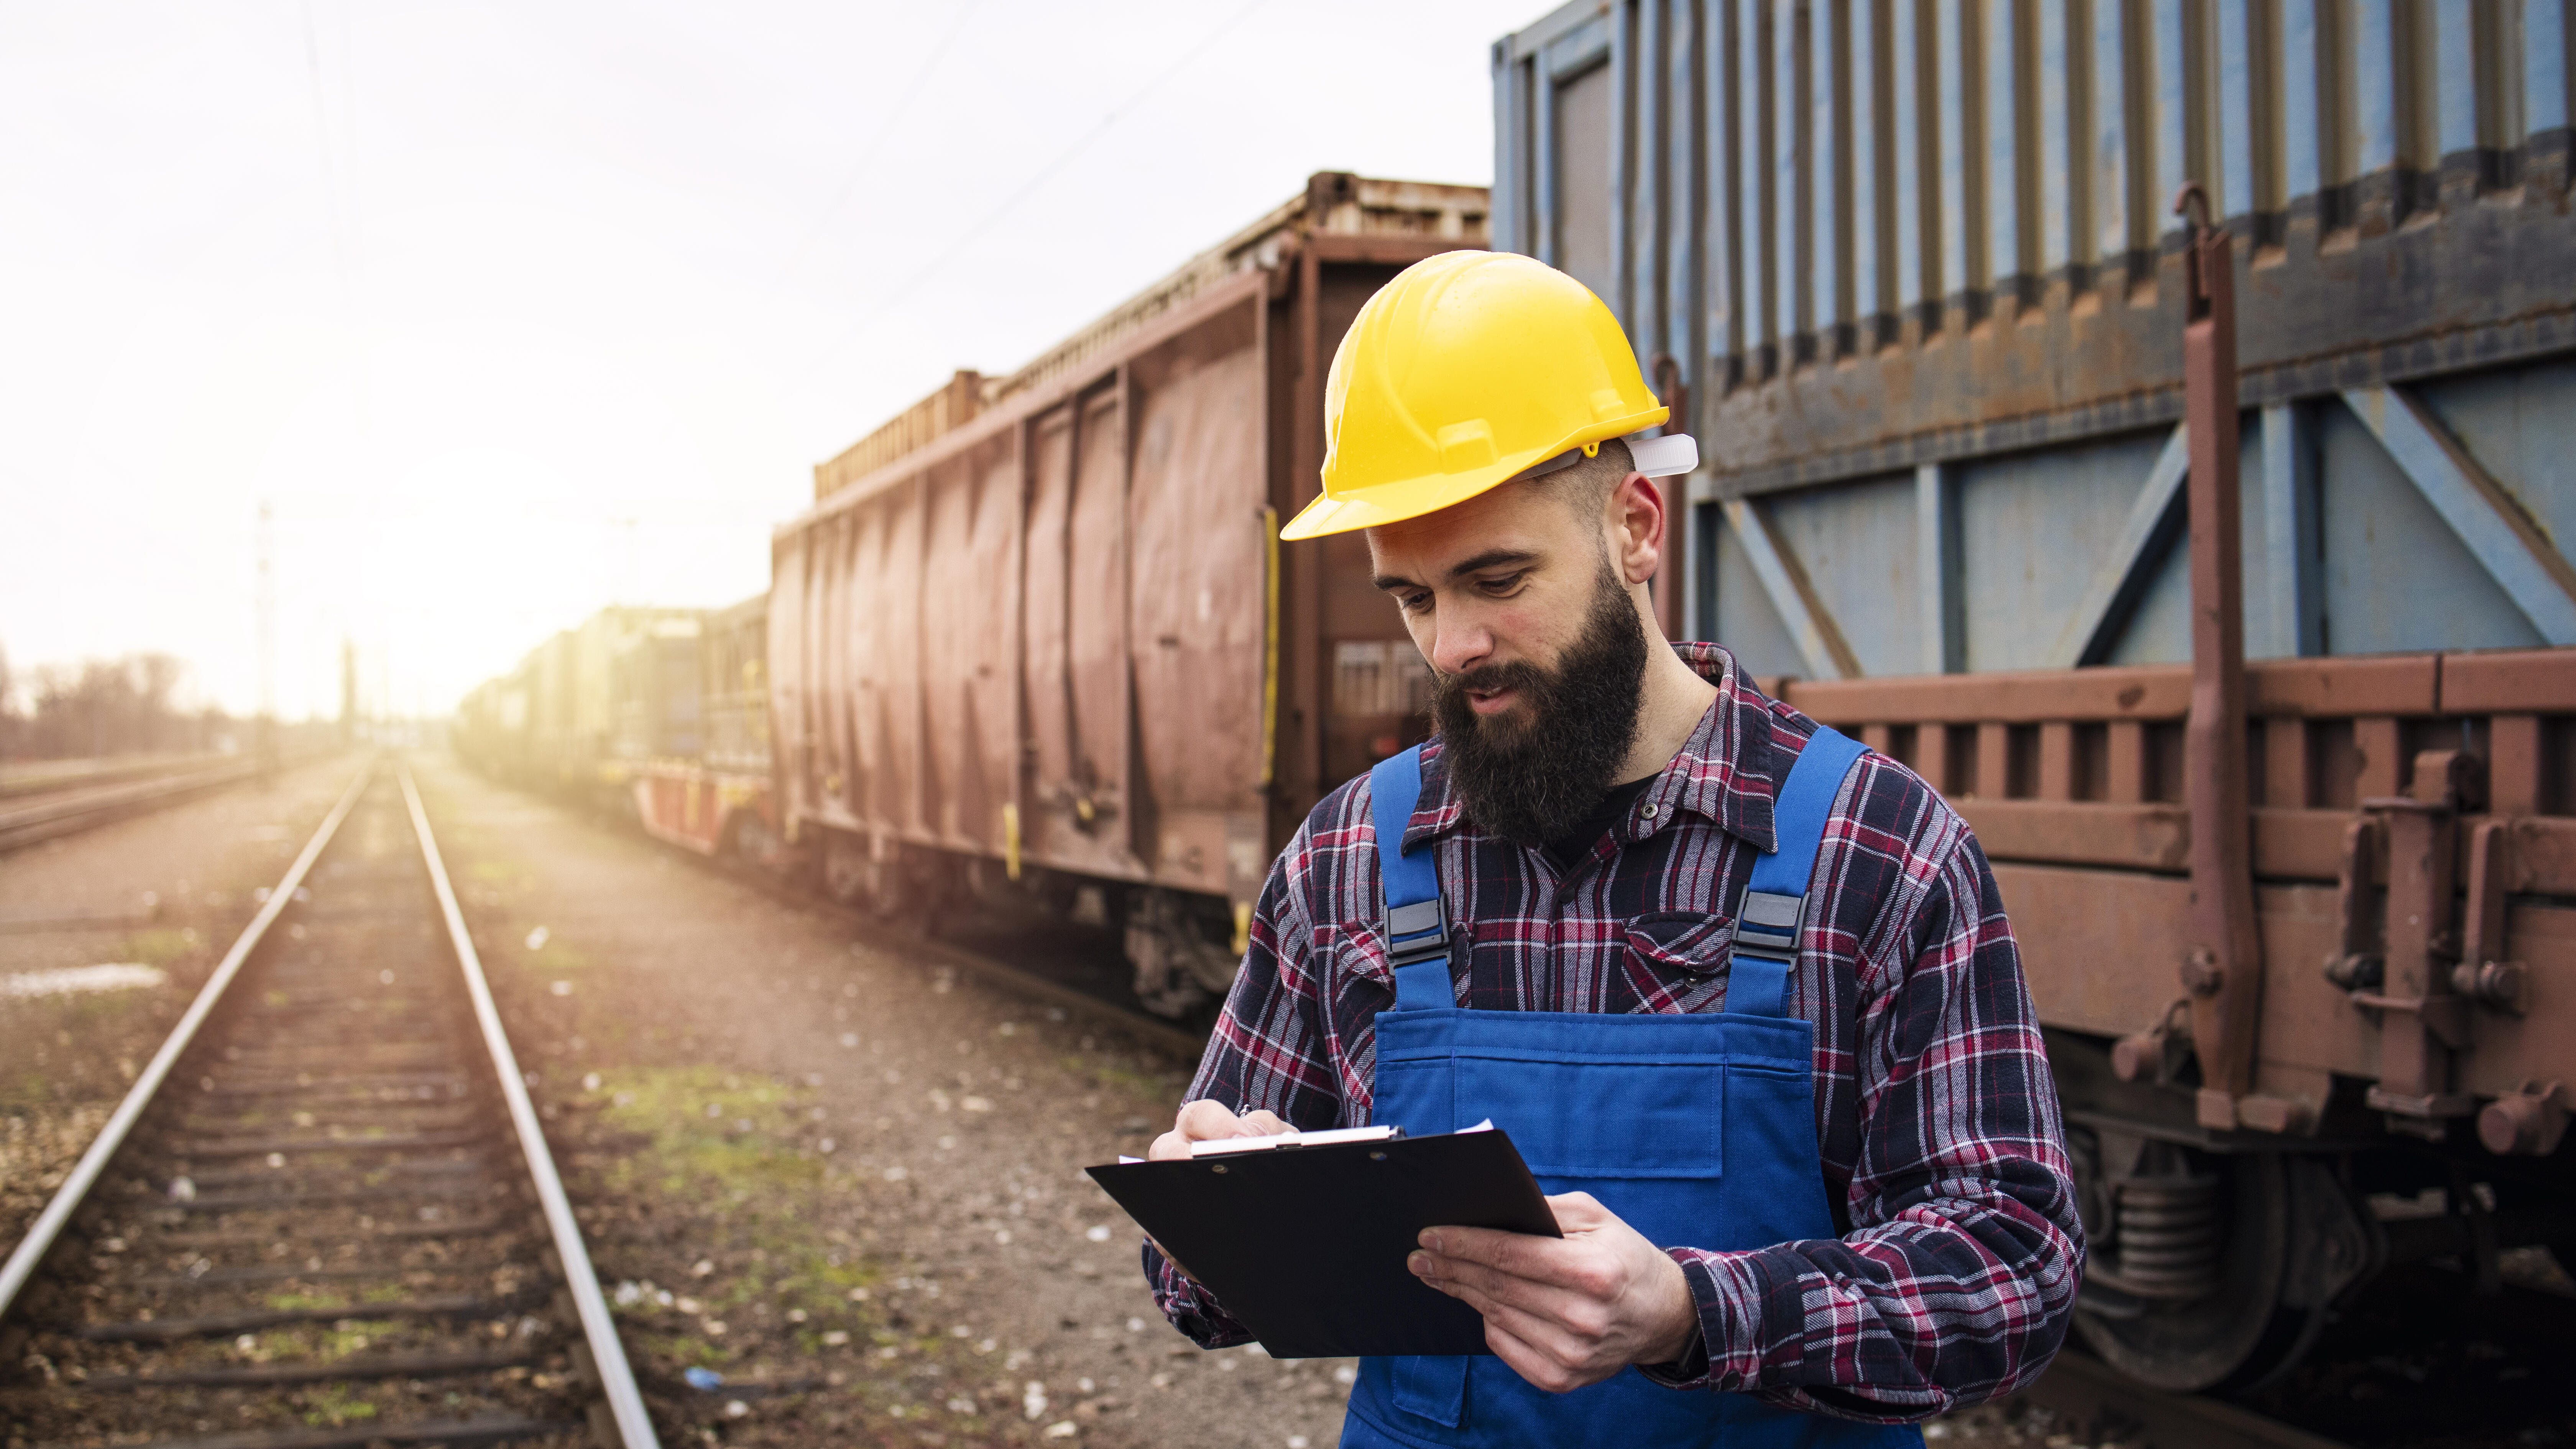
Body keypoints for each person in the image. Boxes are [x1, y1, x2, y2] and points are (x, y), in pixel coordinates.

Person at [1142, 250, 2082, 1447]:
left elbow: (2014, 1261)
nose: (1454, 644)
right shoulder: (1347, 860)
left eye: (1496, 578)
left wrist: (1695, 1311)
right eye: (1414, 597)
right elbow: (1187, 1283)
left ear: (1637, 526)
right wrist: (1228, 1206)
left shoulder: (1878, 849)